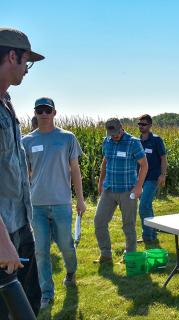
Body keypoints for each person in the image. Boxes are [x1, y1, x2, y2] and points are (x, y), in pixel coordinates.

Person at [22, 97, 86, 309]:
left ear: (54, 112)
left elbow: (75, 170)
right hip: (37, 205)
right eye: (40, 110)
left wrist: (80, 200)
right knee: (41, 250)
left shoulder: (67, 138)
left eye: (47, 110)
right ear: (35, 113)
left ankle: (70, 272)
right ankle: (46, 293)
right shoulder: (26, 141)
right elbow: (26, 174)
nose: (43, 114)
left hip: (61, 204)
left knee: (66, 246)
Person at [0, 27, 44, 318]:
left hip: (19, 225)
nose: (27, 71)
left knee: (28, 305)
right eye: (26, 63)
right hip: (3, 235)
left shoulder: (6, 102)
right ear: (11, 55)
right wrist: (2, 244)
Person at [94, 118, 148, 263]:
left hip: (128, 190)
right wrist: (100, 182)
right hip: (109, 189)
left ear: (121, 128)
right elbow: (105, 162)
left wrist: (138, 187)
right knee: (99, 221)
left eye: (116, 133)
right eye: (111, 134)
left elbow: (144, 165)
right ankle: (105, 254)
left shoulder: (133, 142)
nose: (114, 136)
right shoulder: (107, 141)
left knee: (128, 225)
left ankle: (130, 255)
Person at [137, 114, 167, 244]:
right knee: (147, 205)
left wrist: (163, 175)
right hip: (140, 179)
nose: (141, 126)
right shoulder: (137, 141)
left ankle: (147, 235)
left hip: (153, 177)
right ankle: (153, 232)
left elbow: (163, 159)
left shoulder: (156, 140)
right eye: (139, 124)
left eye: (143, 124)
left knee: (143, 206)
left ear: (150, 125)